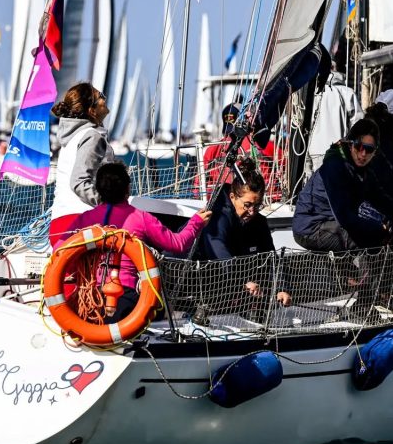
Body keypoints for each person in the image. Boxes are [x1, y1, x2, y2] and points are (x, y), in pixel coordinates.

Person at [63, 162, 212, 322]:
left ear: (98, 189)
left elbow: (61, 252)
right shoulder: (140, 218)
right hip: (127, 298)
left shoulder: (85, 218)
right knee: (159, 310)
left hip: (90, 298)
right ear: (127, 188)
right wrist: (196, 222)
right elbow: (178, 244)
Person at [292, 118, 393, 252]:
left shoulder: (364, 170)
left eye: (369, 149)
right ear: (350, 144)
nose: (363, 154)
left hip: (331, 222)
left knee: (386, 236)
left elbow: (381, 200)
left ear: (375, 151)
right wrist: (382, 228)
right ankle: (360, 267)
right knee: (368, 240)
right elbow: (344, 217)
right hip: (310, 227)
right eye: (359, 146)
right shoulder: (335, 166)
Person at [197, 157, 292, 306]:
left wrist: (281, 288)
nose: (252, 211)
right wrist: (243, 282)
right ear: (232, 197)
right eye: (247, 205)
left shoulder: (259, 222)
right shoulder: (216, 218)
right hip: (200, 287)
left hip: (236, 291)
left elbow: (271, 258)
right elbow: (219, 254)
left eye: (257, 205)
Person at [50, 82, 116, 244]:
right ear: (92, 111)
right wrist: (109, 204)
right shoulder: (91, 136)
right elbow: (78, 182)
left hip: (60, 226)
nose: (105, 98)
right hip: (80, 225)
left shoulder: (72, 137)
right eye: (101, 96)